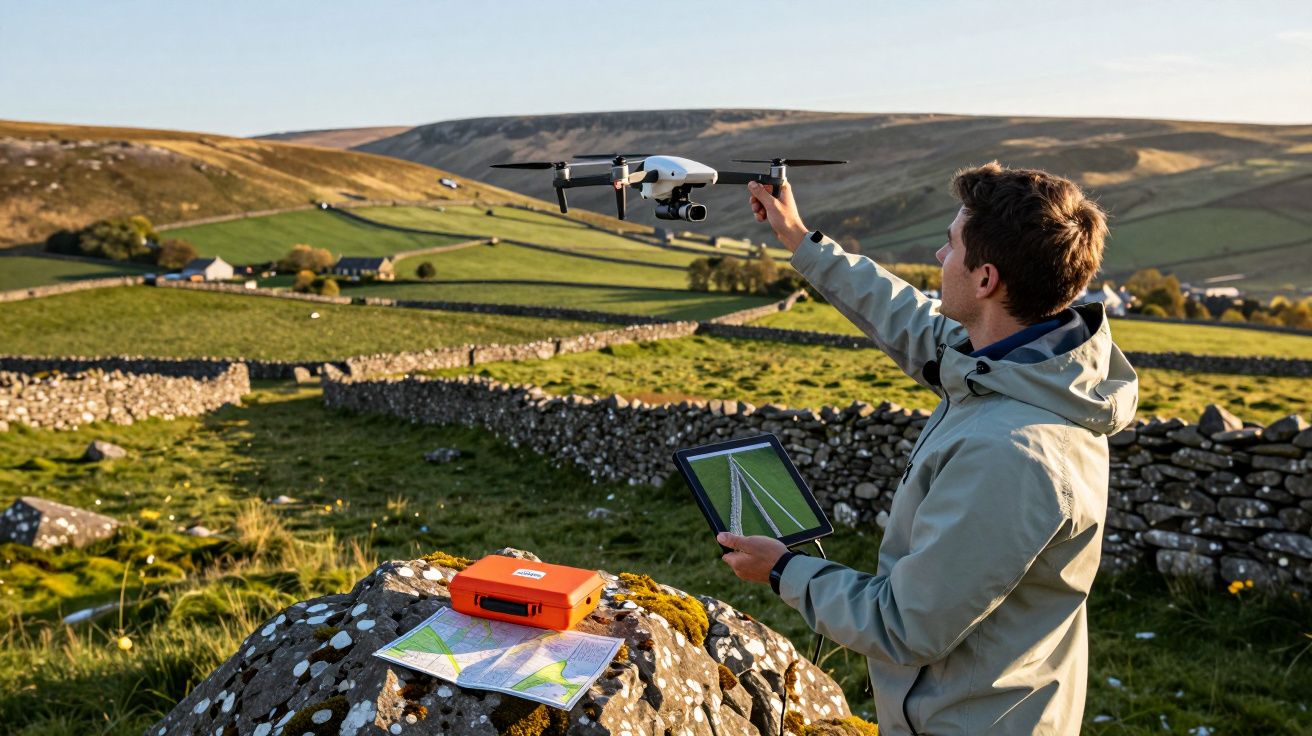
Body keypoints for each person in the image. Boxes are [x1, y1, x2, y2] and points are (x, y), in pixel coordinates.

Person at [718, 163, 1139, 735]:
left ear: (986, 279)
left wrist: (785, 569)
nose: (940, 260)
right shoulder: (1020, 364)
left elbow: (904, 625)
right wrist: (798, 236)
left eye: (950, 245)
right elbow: (905, 315)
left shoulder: (1013, 455)